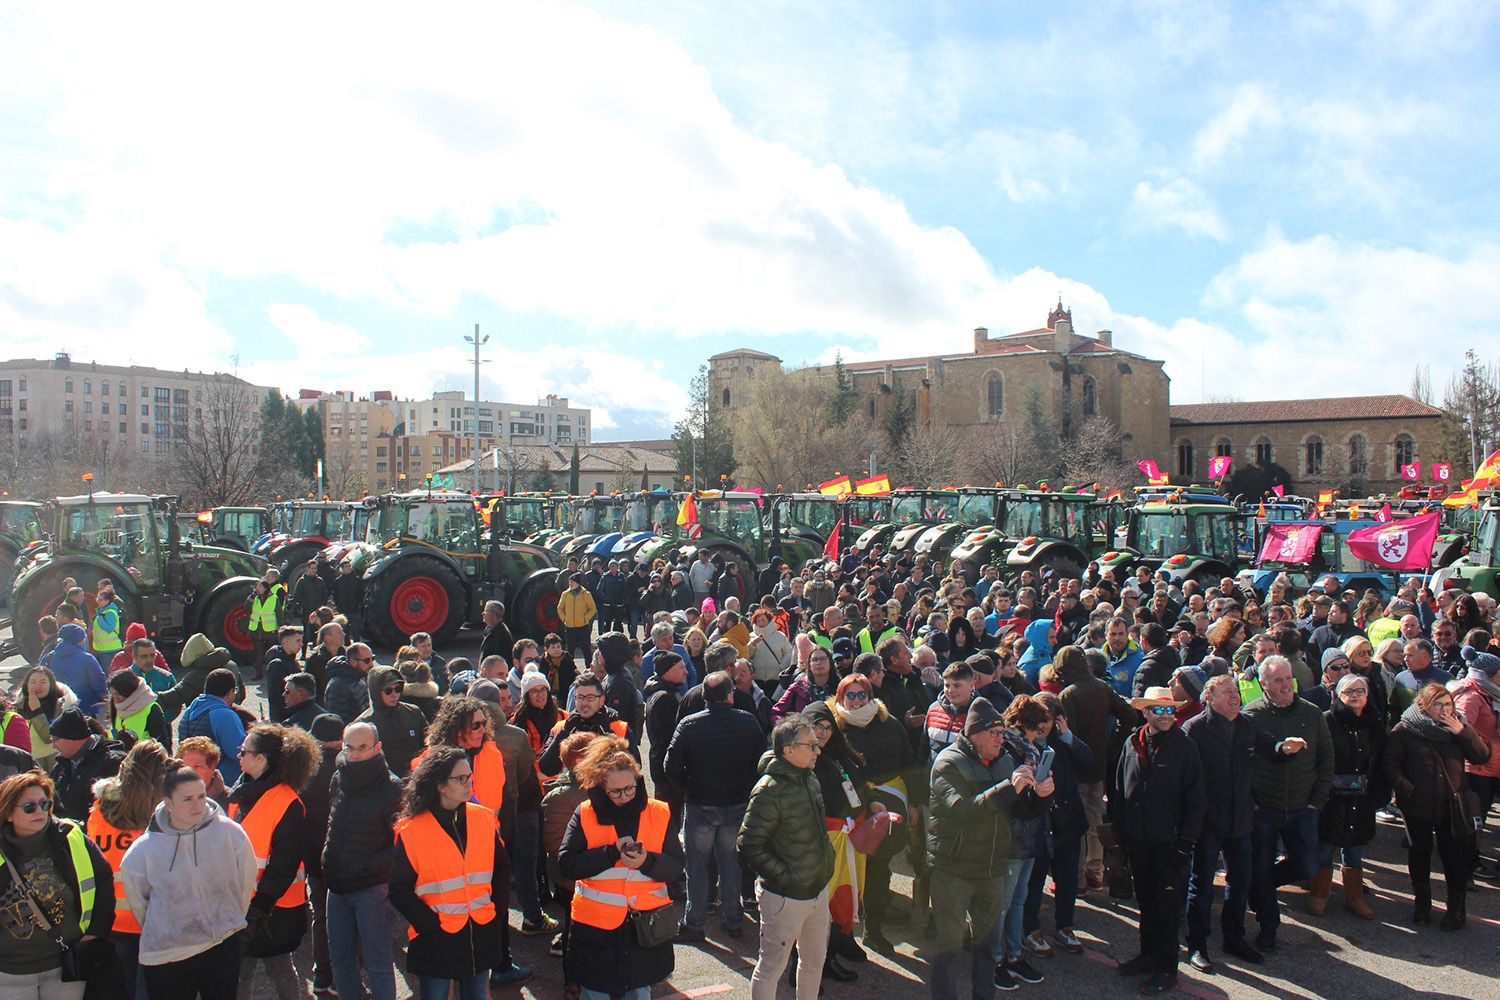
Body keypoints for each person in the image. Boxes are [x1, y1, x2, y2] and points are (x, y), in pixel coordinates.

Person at [557, 735, 682, 1000]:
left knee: (638, 992)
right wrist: (610, 853)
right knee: (596, 992)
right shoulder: (585, 813)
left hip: (644, 930)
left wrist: (647, 862)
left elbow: (676, 867)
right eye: (616, 791)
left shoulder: (658, 812)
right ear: (601, 786)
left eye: (630, 788)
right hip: (596, 930)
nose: (625, 796)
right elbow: (566, 864)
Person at [926, 696, 1034, 1000]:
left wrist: (1040, 796)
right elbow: (962, 810)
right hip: (953, 869)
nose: (1002, 739)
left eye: (1003, 733)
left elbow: (1017, 811)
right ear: (975, 733)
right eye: (995, 733)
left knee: (987, 948)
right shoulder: (948, 762)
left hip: (991, 868)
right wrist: (1007, 788)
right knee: (948, 948)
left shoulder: (1005, 760)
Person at [120, 762, 257, 1000]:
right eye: (187, 799)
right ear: (168, 803)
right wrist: (169, 929)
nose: (197, 805)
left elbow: (245, 881)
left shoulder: (230, 834)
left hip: (221, 944)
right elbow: (138, 900)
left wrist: (229, 919)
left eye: (201, 796)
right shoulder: (143, 850)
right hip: (168, 953)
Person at [389, 746, 511, 1000]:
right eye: (461, 778)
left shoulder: (484, 818)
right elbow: (399, 890)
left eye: (470, 776)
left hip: (480, 933)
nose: (469, 783)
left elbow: (501, 869)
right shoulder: (412, 830)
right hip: (436, 941)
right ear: (440, 786)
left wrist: (496, 910)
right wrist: (430, 925)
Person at [1112, 685, 1205, 995]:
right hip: (1138, 840)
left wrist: (1185, 843)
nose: (1167, 716)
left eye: (1170, 710)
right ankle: (1147, 955)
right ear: (1146, 712)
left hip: (1170, 843)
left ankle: (1167, 968)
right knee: (1147, 903)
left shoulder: (1185, 747)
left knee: (1167, 909)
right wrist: (1121, 832)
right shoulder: (1131, 742)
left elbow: (1196, 800)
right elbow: (1119, 788)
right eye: (1159, 710)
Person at [664, 670, 766, 942]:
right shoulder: (748, 722)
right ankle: (733, 920)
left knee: (696, 866)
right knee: (731, 863)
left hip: (701, 804)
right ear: (729, 695)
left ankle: (694, 923)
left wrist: (687, 787)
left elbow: (670, 766)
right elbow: (761, 761)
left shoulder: (689, 725)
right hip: (735, 803)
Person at [740, 716, 836, 1000]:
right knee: (771, 968)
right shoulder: (769, 790)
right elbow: (748, 844)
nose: (818, 751)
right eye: (811, 745)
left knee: (814, 961)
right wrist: (786, 876)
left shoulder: (810, 777)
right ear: (788, 751)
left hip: (817, 889)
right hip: (785, 897)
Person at [1242, 655, 1333, 950]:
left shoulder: (1312, 713)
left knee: (1307, 867)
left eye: (1288, 678)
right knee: (1262, 867)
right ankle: (1269, 928)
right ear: (1265, 685)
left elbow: (1326, 759)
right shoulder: (1252, 715)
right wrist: (1251, 801)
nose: (1285, 685)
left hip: (1302, 808)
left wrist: (1316, 802)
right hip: (1264, 809)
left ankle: (1260, 887)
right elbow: (1241, 763)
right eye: (1278, 680)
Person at [0, 770, 116, 1000]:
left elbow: (103, 883)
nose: (40, 811)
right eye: (29, 807)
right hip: (10, 974)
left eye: (45, 803)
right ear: (9, 813)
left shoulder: (70, 837)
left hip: (66, 966)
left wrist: (94, 933)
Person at [1383, 683, 1490, 929]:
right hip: (1417, 805)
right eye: (1437, 705)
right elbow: (1391, 763)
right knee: (1419, 853)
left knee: (1453, 857)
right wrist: (1407, 788)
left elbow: (1481, 756)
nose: (1444, 710)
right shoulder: (1406, 729)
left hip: (1451, 806)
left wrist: (1464, 732)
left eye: (1448, 704)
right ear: (1424, 706)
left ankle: (1456, 910)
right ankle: (1422, 904)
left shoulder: (1458, 727)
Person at [229, 723, 321, 999]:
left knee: (269, 969)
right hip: (247, 904)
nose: (238, 755)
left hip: (271, 908)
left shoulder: (286, 802)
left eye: (244, 751)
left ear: (262, 759)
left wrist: (260, 907)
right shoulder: (243, 791)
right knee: (259, 970)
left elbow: (284, 864)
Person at [832, 671, 920, 955]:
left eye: (862, 694)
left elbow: (909, 762)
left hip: (891, 805)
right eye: (851, 695)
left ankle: (874, 928)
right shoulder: (836, 728)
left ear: (870, 696)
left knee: (881, 870)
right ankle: (844, 932)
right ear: (841, 697)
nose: (857, 701)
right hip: (855, 807)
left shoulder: (890, 723)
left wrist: (916, 802)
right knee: (851, 871)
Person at [323, 721, 403, 1000]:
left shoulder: (392, 788)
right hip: (337, 886)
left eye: (362, 747)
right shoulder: (339, 777)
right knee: (341, 960)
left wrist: (365, 867)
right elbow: (333, 823)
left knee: (378, 962)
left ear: (377, 748)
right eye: (349, 747)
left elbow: (400, 847)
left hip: (372, 890)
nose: (355, 753)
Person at [87, 738, 172, 999]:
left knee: (120, 985)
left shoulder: (100, 808)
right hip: (152, 914)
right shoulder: (163, 812)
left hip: (111, 914)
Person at [1309, 672, 1386, 920]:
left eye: (1359, 691)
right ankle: (1320, 894)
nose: (1354, 696)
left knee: (1354, 848)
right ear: (1339, 695)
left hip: (1361, 797)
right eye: (1348, 692)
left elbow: (1380, 761)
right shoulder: (1326, 721)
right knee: (1326, 847)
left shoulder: (1374, 723)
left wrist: (1377, 793)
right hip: (1331, 797)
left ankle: (1354, 897)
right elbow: (1316, 760)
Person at [539, 676, 628, 778]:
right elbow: (546, 768)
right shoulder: (562, 727)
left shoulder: (618, 727)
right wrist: (564, 734)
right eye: (580, 697)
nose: (584, 703)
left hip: (607, 791)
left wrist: (607, 734)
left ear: (602, 700)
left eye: (590, 698)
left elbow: (632, 767)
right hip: (572, 791)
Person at [48, 709, 125, 822]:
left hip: (96, 835)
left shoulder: (112, 762)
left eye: (55, 740)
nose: (53, 746)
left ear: (73, 738)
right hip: (68, 836)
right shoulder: (62, 765)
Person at [178, 669, 247, 785]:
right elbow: (239, 753)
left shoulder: (189, 711)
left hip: (189, 778)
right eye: (235, 690)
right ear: (230, 692)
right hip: (218, 783)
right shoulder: (225, 715)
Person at [355, 665, 426, 778]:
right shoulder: (364, 724)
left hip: (418, 777)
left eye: (398, 689)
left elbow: (428, 743)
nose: (394, 694)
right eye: (388, 690)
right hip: (386, 782)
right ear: (376, 692)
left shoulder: (413, 712)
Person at [16, 669, 75, 774]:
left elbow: (49, 737)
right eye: (33, 682)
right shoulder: (18, 707)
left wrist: (36, 711)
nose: (37, 686)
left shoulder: (60, 706)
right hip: (27, 761)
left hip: (52, 760)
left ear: (51, 685)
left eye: (43, 682)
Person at [47, 623, 107, 721]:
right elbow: (99, 682)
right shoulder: (87, 658)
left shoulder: (49, 657)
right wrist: (101, 698)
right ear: (79, 640)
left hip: (58, 709)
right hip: (86, 709)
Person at [105, 670, 170, 750]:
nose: (114, 697)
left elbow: (162, 745)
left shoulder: (152, 709)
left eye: (118, 694)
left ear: (129, 691)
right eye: (112, 693)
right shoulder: (117, 706)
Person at [262, 626, 305, 722]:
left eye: (301, 641)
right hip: (283, 718)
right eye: (298, 641)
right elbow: (275, 697)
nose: (301, 644)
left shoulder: (290, 660)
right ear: (286, 642)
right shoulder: (277, 664)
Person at [325, 645, 374, 725]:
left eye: (373, 658)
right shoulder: (338, 686)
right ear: (353, 662)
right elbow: (338, 720)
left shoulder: (359, 676)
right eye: (367, 660)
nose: (371, 664)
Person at [177, 736, 229, 807]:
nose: (189, 772)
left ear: (212, 767)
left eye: (197, 766)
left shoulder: (230, 801)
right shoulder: (173, 800)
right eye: (185, 767)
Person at [559, 574, 599, 666]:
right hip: (569, 626)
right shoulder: (565, 594)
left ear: (577, 583)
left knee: (586, 649)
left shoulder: (586, 594)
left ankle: (589, 668)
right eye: (569, 581)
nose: (570, 583)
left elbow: (592, 609)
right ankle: (569, 669)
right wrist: (564, 618)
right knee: (570, 651)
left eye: (572, 581)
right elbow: (560, 608)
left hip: (582, 626)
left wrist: (585, 618)